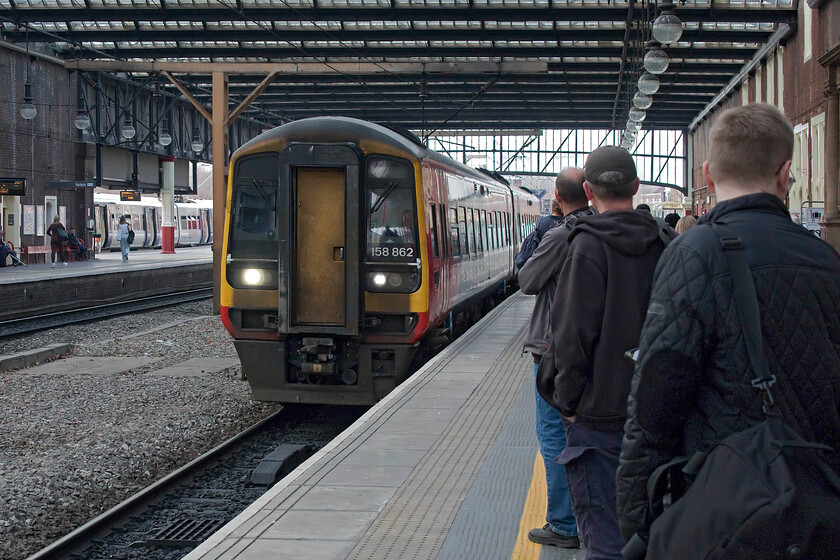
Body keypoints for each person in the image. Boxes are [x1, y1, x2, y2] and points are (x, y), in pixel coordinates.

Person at [617, 103, 840, 548]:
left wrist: (637, 522)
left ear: (708, 174)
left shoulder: (694, 254)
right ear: (785, 174)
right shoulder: (827, 262)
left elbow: (655, 403)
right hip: (818, 510)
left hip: (724, 509)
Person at [539, 146, 674, 559]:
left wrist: (568, 402)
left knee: (604, 533)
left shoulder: (586, 246)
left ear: (588, 190)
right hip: (657, 415)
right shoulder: (667, 244)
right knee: (654, 527)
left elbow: (571, 336)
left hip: (598, 418)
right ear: (635, 186)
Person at [519, 168, 596, 549]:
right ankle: (592, 516)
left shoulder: (560, 234)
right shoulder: (603, 230)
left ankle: (564, 524)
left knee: (554, 436)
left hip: (554, 352)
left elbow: (527, 280)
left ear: (558, 197)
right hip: (597, 347)